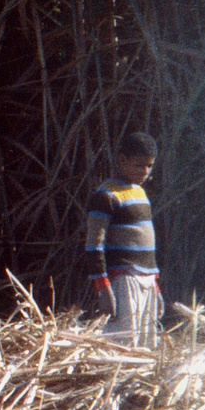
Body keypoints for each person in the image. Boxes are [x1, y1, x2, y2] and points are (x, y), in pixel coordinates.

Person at [84, 131, 162, 347]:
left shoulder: (140, 193)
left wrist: (155, 283)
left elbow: (146, 243)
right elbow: (94, 245)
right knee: (122, 344)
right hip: (124, 280)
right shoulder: (106, 196)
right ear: (121, 160)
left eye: (149, 166)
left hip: (146, 279)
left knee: (146, 345)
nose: (145, 172)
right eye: (139, 165)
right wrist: (102, 286)